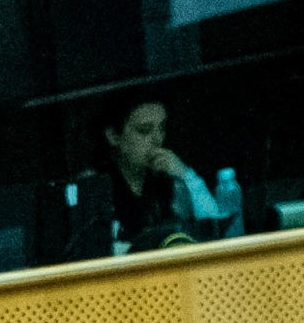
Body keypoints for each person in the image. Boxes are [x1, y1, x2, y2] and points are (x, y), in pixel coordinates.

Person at [67, 98, 239, 256]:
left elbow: (216, 232)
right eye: (144, 131)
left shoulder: (171, 180)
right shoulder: (92, 185)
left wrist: (187, 176)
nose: (157, 139)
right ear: (114, 136)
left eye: (162, 128)